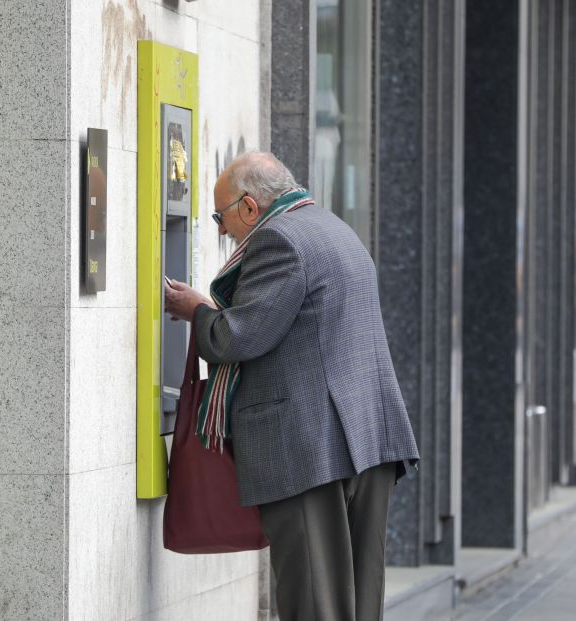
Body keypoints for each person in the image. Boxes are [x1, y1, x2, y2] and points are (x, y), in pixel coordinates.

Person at [164, 151, 419, 621]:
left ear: (248, 207)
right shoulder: (332, 228)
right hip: (366, 439)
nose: (222, 231)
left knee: (315, 602)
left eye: (221, 217)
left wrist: (198, 311)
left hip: (310, 447)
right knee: (359, 604)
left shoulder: (278, 240)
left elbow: (238, 337)